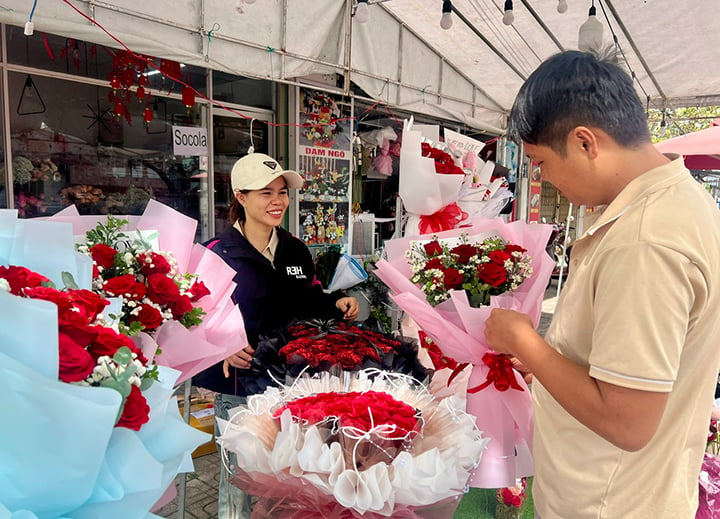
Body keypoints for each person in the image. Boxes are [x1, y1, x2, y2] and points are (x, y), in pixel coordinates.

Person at [484, 50, 720, 518]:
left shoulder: (644, 240)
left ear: (586, 142)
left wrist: (523, 341)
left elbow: (627, 422)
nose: (544, 179)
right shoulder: (676, 200)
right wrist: (552, 366)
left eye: (542, 162)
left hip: (609, 503)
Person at [193, 152, 359, 519]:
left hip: (291, 381)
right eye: (265, 192)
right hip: (241, 387)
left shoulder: (295, 249)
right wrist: (220, 348)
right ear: (241, 197)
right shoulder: (217, 254)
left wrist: (337, 303)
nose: (278, 201)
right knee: (239, 481)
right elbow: (191, 320)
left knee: (287, 479)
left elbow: (310, 300)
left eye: (282, 192)